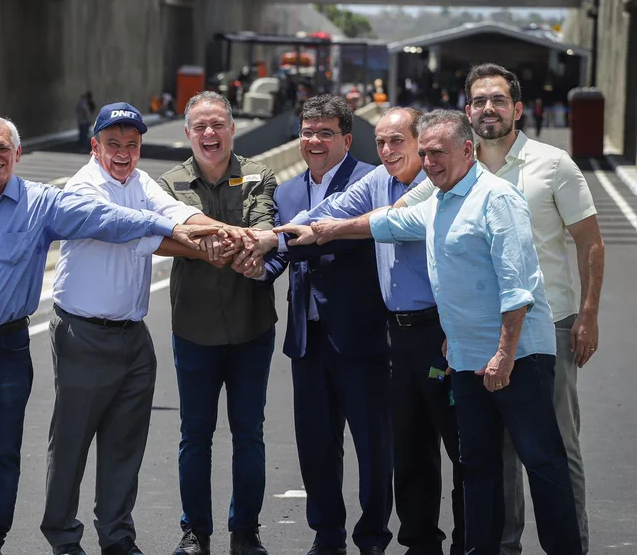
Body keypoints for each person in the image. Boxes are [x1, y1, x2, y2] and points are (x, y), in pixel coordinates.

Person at [0, 114, 215, 555]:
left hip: (6, 348)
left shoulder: (42, 203)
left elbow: (104, 218)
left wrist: (170, 226)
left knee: (1, 453)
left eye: (2, 148)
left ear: (18, 154)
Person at [288, 109, 583, 555]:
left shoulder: (496, 197)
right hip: (464, 357)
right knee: (477, 464)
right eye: (423, 153)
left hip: (517, 357)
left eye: (437, 152)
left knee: (541, 460)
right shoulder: (438, 202)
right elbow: (386, 223)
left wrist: (503, 354)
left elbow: (518, 287)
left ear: (468, 150)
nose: (428, 161)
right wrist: (324, 230)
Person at [396, 63, 604, 555]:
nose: (488, 109)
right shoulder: (459, 166)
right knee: (495, 454)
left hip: (547, 327)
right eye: (479, 101)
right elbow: (401, 213)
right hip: (479, 336)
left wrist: (588, 315)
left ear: (517, 107)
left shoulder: (552, 164)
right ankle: (504, 547)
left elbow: (590, 242)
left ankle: (571, 547)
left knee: (554, 448)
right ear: (467, 112)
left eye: (498, 100)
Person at [247, 106, 464, 554]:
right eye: (382, 141)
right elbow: (315, 222)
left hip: (409, 335)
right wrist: (265, 248)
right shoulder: (339, 185)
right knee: (366, 448)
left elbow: (387, 222)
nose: (388, 150)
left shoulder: (420, 183)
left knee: (435, 449)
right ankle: (368, 539)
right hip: (344, 336)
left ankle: (426, 541)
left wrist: (330, 230)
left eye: (397, 141)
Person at [44, 102, 245, 555]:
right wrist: (205, 248)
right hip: (83, 333)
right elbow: (129, 228)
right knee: (72, 444)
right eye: (113, 144)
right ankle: (62, 537)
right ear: (95, 147)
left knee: (124, 446)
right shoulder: (81, 189)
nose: (123, 153)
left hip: (132, 337)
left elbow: (174, 210)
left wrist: (224, 232)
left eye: (132, 145)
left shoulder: (139, 182)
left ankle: (117, 538)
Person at [239, 95, 393, 555]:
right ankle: (328, 536)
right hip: (307, 340)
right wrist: (256, 269)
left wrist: (278, 247)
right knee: (316, 446)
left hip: (362, 337)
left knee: (372, 447)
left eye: (326, 132)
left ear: (347, 138)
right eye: (308, 132)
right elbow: (280, 256)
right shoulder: (286, 193)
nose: (315, 141)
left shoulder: (372, 181)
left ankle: (372, 539)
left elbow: (328, 240)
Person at [157, 91, 278, 555]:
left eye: (218, 125)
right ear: (188, 133)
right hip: (194, 328)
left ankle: (245, 530)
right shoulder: (168, 183)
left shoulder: (259, 173)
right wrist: (217, 243)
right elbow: (160, 236)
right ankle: (196, 532)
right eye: (200, 127)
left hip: (252, 326)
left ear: (232, 128)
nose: (210, 134)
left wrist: (212, 241)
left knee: (249, 432)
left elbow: (263, 223)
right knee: (195, 435)